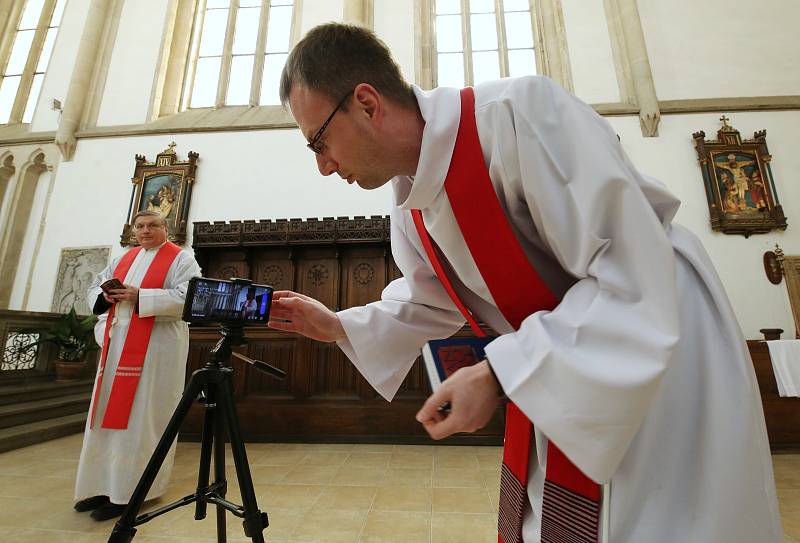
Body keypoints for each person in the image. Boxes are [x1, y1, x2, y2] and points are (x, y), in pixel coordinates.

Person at [268, 23, 783, 543]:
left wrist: (500, 373)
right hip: (563, 355)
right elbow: (430, 299)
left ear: (367, 103)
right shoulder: (411, 206)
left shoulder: (520, 116)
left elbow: (628, 266)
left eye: (319, 140)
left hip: (657, 334)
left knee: (668, 523)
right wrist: (339, 326)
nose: (324, 166)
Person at [73, 210, 201, 521]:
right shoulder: (124, 259)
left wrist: (140, 295)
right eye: (140, 226)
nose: (145, 231)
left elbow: (191, 298)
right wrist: (106, 297)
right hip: (117, 351)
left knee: (141, 421)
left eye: (152, 225)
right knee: (105, 420)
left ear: (165, 228)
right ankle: (103, 486)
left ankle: (132, 492)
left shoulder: (181, 259)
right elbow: (95, 289)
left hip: (155, 353)